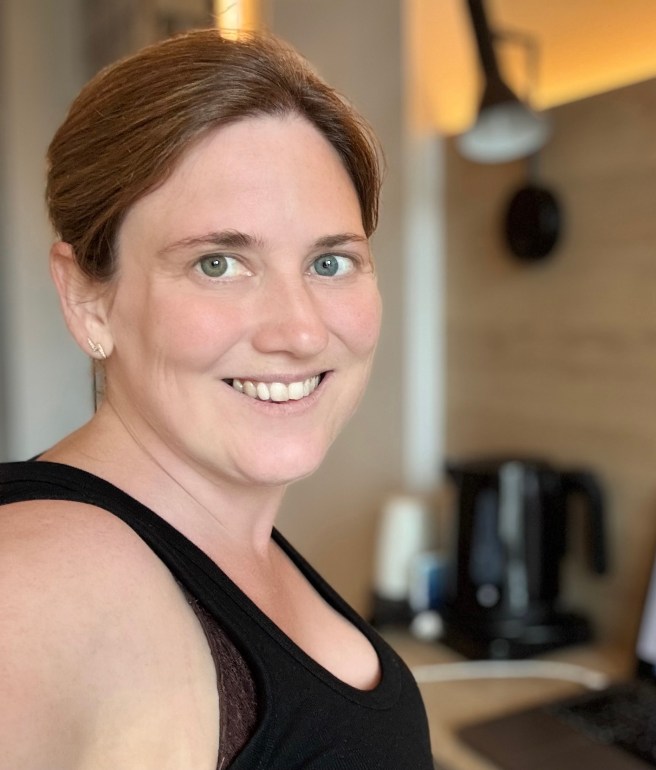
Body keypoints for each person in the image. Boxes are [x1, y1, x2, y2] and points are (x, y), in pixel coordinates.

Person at [0, 28, 434, 769]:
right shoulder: (41, 584)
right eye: (219, 263)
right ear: (87, 299)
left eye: (331, 260)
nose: (299, 330)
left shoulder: (233, 537)